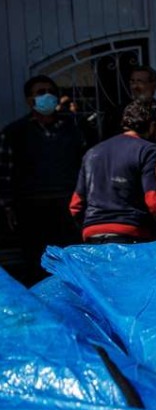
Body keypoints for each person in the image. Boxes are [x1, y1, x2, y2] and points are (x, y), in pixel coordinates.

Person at [0, 75, 87, 284]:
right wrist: (7, 206)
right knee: (35, 263)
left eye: (50, 91)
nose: (47, 96)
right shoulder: (15, 132)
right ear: (29, 100)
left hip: (67, 206)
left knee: (69, 261)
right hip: (31, 207)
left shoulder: (73, 128)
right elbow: (5, 173)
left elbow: (85, 165)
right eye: (40, 93)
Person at [70, 99, 156, 244]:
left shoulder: (92, 152)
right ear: (153, 126)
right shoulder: (148, 150)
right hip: (131, 234)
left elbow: (75, 205)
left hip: (92, 234)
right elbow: (153, 201)